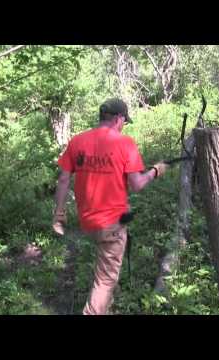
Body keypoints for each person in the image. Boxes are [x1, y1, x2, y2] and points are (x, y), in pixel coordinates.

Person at [52, 98, 169, 315]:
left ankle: (105, 307)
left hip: (88, 221)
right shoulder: (125, 143)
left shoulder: (77, 141)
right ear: (118, 119)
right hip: (112, 224)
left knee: (105, 274)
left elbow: (63, 180)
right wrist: (155, 171)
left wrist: (59, 214)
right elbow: (137, 185)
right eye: (124, 120)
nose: (124, 125)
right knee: (105, 281)